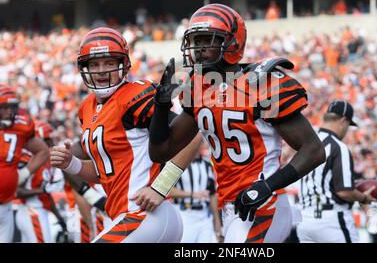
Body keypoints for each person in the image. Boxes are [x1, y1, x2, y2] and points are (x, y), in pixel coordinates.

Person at [144, 3, 325, 243]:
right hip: (230, 207)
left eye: (207, 40)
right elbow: (160, 151)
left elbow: (314, 150)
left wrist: (267, 186)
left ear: (232, 42)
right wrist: (161, 105)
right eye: (195, 41)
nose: (198, 49)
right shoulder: (199, 86)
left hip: (264, 205)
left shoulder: (261, 83)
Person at [50, 27, 199, 243]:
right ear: (84, 68)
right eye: (94, 64)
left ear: (123, 64)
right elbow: (105, 173)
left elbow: (194, 133)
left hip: (146, 215)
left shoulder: (136, 94)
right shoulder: (87, 108)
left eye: (109, 63)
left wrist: (161, 186)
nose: (101, 70)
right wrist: (70, 163)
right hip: (123, 217)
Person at [296, 100, 376, 243]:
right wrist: (364, 198)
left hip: (305, 219)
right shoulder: (338, 147)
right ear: (343, 120)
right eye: (348, 125)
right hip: (331, 220)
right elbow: (344, 191)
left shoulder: (307, 144)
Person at [0, 85, 50, 243]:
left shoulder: (22, 125)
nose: (9, 112)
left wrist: (23, 174)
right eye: (4, 107)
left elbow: (43, 150)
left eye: (12, 107)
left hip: (6, 205)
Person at [15, 120, 66, 243]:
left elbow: (47, 195)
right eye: (47, 140)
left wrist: (59, 217)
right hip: (31, 211)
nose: (51, 144)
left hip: (39, 211)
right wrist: (43, 189)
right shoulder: (27, 159)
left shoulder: (47, 162)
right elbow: (17, 191)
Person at [170, 144, 222, 243]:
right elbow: (167, 191)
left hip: (205, 216)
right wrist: (192, 194)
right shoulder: (176, 164)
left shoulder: (208, 165)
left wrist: (217, 220)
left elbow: (212, 194)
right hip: (184, 214)